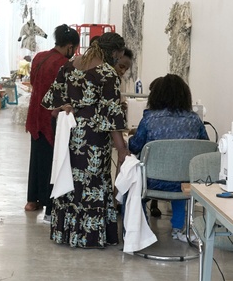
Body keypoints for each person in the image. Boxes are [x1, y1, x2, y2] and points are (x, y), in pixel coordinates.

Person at [43, 31, 129, 249]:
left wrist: (67, 107)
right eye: (118, 57)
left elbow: (53, 105)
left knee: (69, 179)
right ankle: (89, 236)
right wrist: (121, 148)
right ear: (114, 52)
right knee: (93, 182)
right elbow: (111, 115)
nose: (118, 61)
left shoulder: (69, 66)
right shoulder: (107, 73)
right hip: (93, 137)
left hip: (69, 133)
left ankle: (67, 233)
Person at [128, 74, 208, 242]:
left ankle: (140, 228)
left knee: (132, 183)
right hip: (184, 184)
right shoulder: (195, 120)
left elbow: (134, 146)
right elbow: (205, 148)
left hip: (152, 181)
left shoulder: (149, 119)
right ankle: (178, 229)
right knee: (180, 174)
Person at [24, 24, 80, 213]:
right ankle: (50, 205)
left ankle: (32, 201)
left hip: (35, 114)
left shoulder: (39, 57)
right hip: (53, 117)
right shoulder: (64, 64)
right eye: (74, 50)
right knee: (53, 160)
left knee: (36, 158)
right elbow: (68, 91)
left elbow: (33, 82)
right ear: (70, 46)